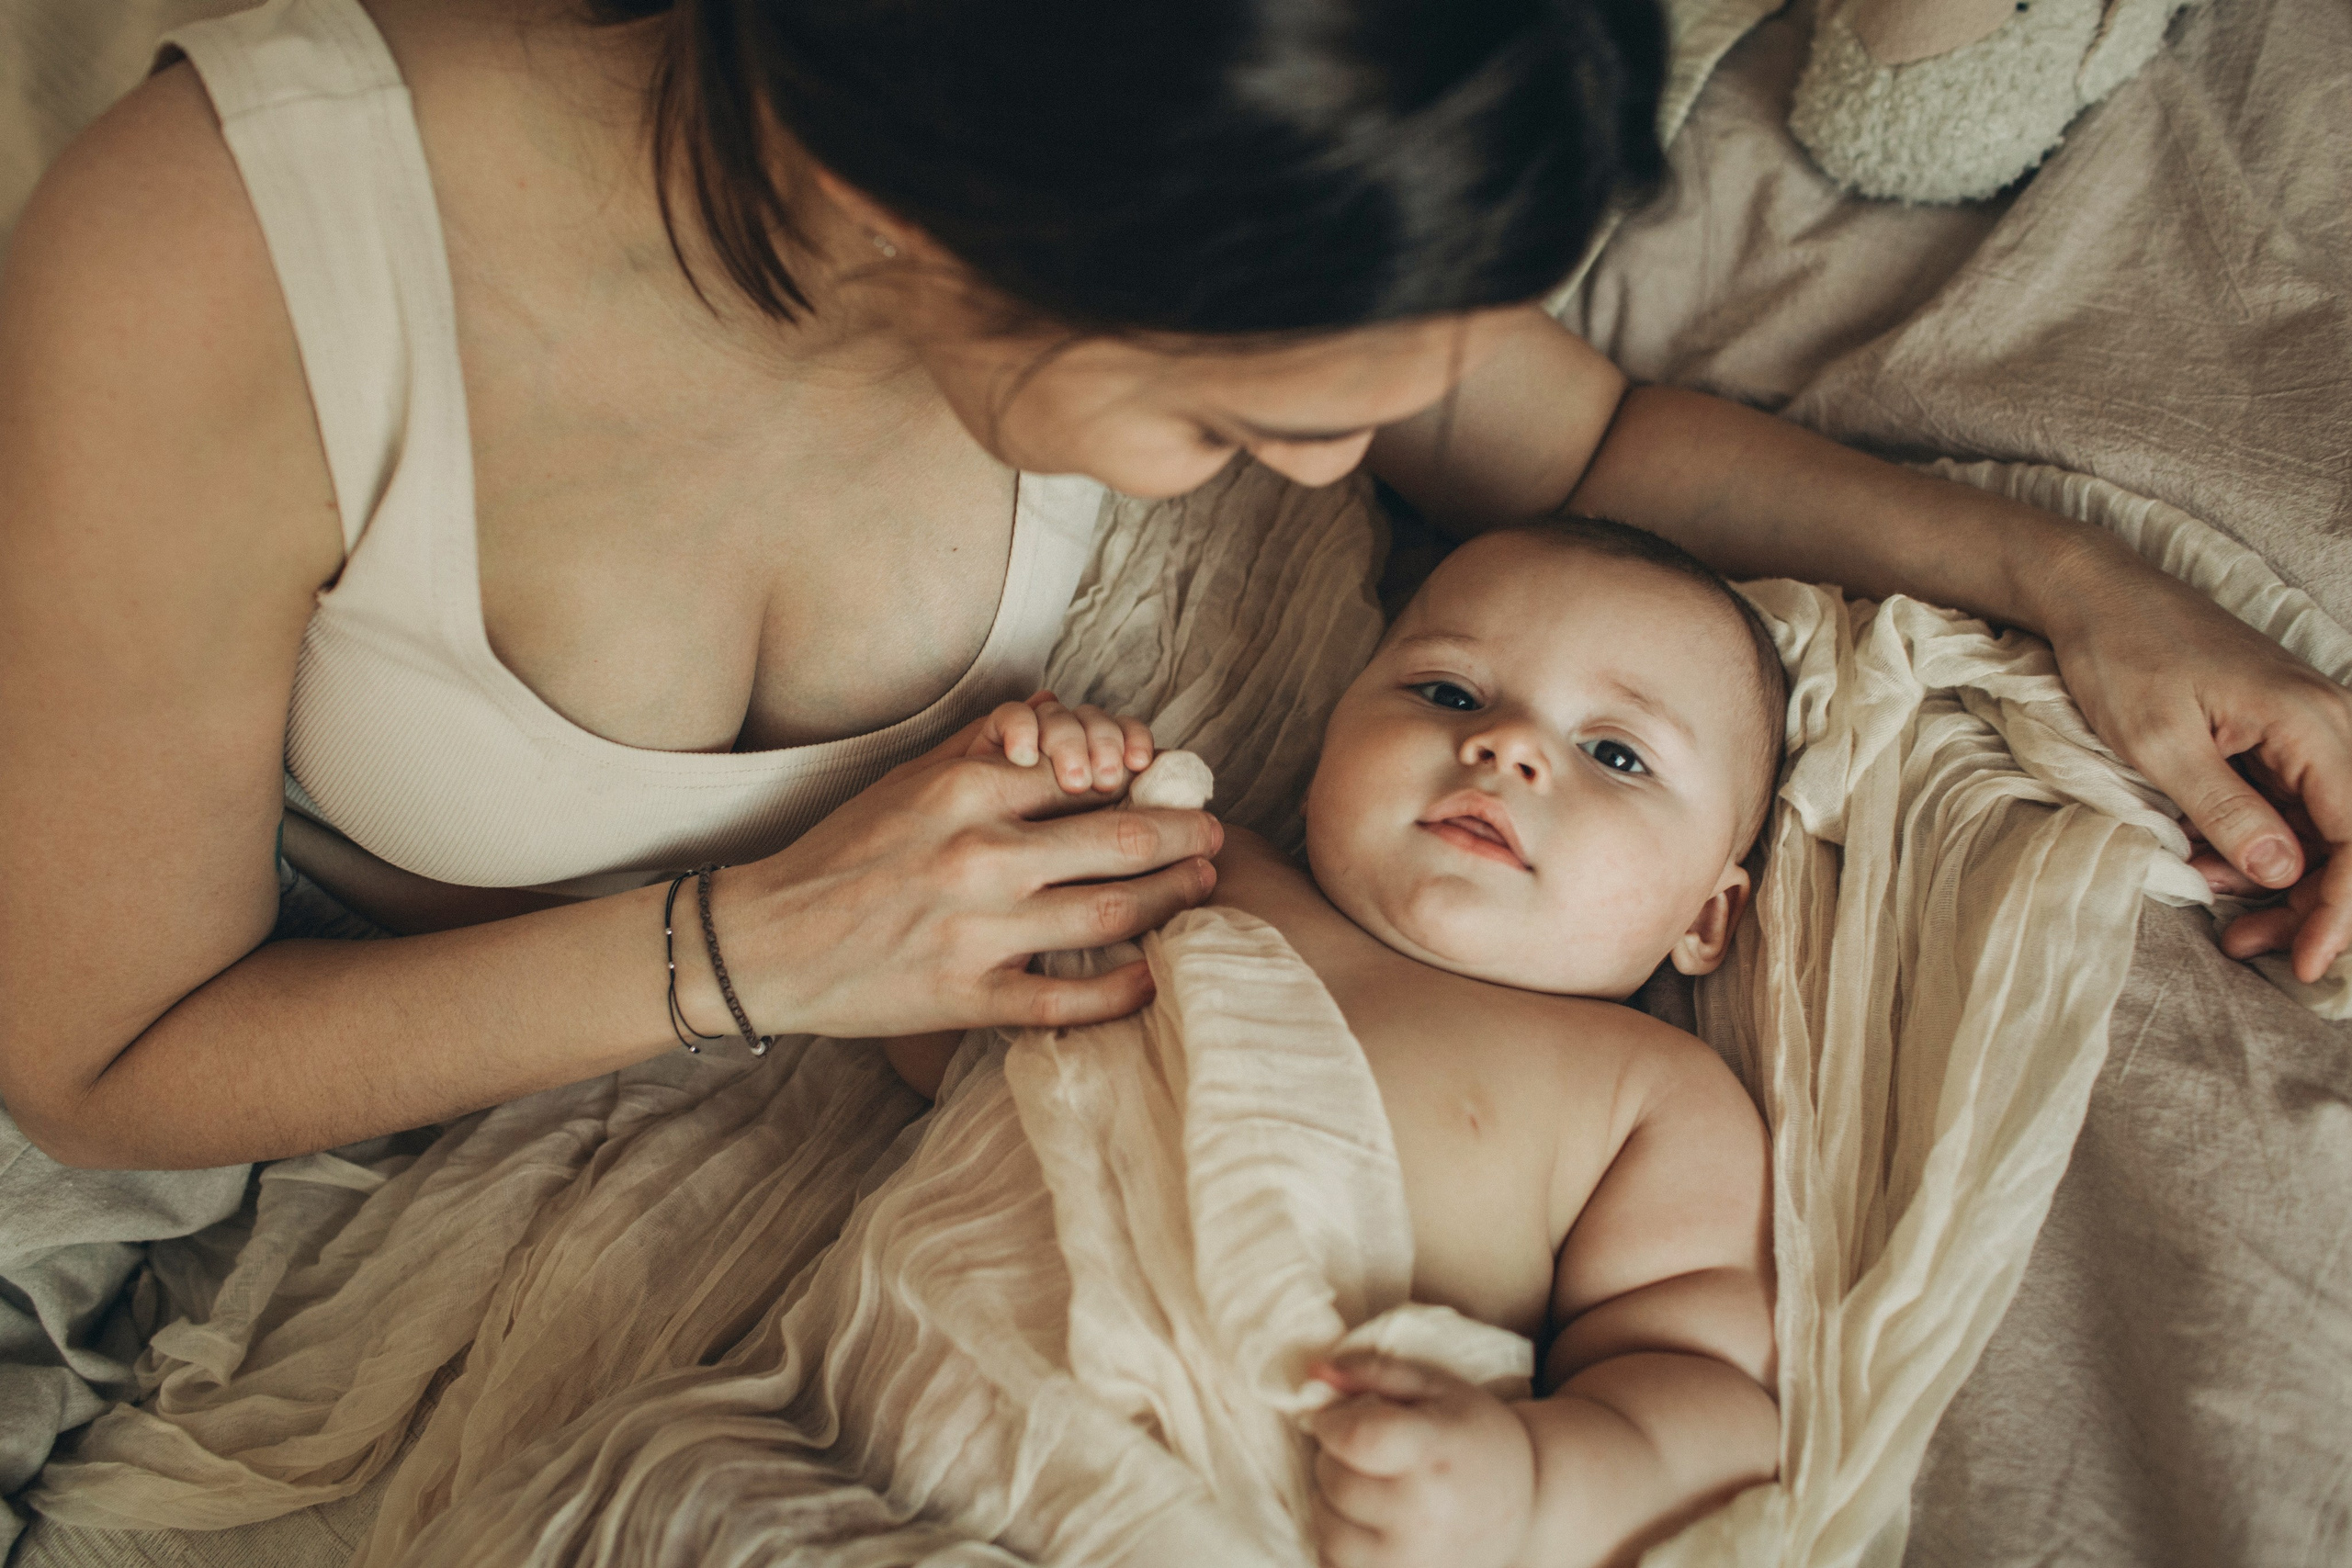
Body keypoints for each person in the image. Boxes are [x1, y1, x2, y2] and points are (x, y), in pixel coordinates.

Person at [0, 0, 2346, 1506]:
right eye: (1244, 415)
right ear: (952, 225)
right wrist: (741, 951)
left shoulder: (1249, 75)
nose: (1329, 483)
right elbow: (106, 1057)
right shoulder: (227, 265)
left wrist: (2072, 588)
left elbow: (1589, 429)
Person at [891, 517, 1785, 1568]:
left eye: (1615, 753)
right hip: (900, 1413)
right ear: (1324, 756)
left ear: (1704, 919)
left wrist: (1528, 1487)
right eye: (1450, 693)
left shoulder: (1650, 1093)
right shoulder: (1184, 862)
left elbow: (1710, 1404)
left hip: (1237, 1511)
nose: (1508, 748)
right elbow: (932, 1043)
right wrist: (1028, 801)